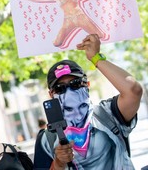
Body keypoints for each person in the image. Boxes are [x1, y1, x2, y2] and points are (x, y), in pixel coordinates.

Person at [33, 34, 143, 169]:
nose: (70, 93)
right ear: (51, 95)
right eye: (60, 88)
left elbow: (133, 91)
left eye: (76, 84)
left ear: (87, 85)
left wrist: (95, 57)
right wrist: (58, 163)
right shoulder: (47, 140)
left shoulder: (109, 114)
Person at [16, 0, 117, 48]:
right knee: (56, 43)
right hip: (68, 20)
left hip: (81, 17)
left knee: (100, 35)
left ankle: (84, 43)